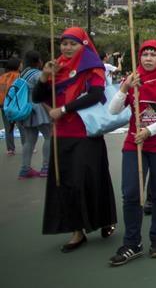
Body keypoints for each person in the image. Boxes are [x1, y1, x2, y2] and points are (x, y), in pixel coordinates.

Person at [32, 27, 116, 252]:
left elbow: (96, 95)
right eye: (64, 43)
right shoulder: (55, 65)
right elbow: (38, 96)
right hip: (61, 134)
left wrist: (64, 109)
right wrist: (44, 76)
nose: (67, 48)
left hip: (86, 133)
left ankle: (105, 219)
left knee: (89, 180)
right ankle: (77, 231)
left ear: (83, 45)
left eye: (73, 43)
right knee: (66, 182)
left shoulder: (92, 66)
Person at [107, 40, 156, 266]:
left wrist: (149, 131)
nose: (148, 59)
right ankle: (132, 243)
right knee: (130, 193)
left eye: (153, 55)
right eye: (144, 54)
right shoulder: (134, 79)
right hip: (134, 145)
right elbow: (113, 110)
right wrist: (124, 88)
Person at [17, 51, 52, 179]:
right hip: (39, 108)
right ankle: (46, 167)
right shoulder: (37, 74)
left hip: (26, 110)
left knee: (29, 140)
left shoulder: (22, 74)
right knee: (49, 136)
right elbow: (46, 85)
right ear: (38, 61)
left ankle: (24, 169)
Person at [1, 58, 22, 155]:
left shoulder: (2, 77)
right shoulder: (19, 77)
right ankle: (27, 145)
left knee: (8, 128)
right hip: (16, 105)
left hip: (4, 105)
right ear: (17, 66)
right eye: (20, 64)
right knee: (22, 126)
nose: (22, 65)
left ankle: (10, 149)